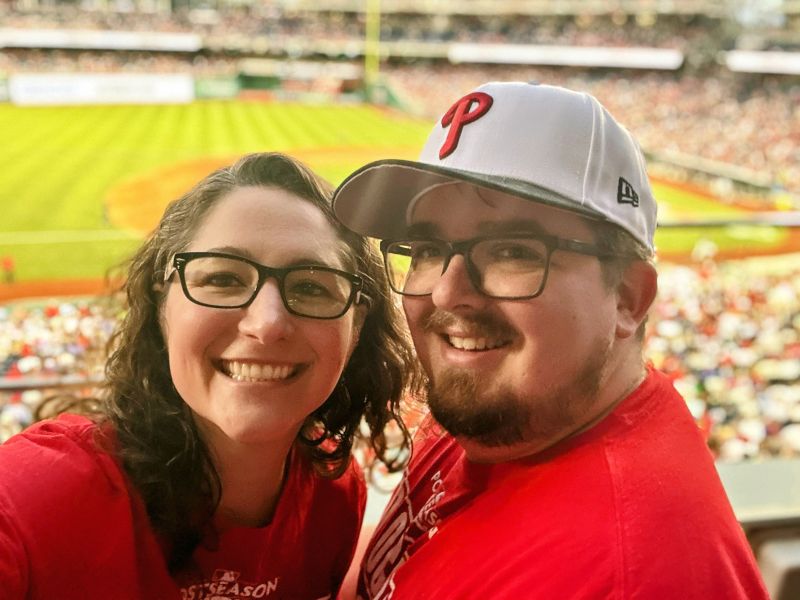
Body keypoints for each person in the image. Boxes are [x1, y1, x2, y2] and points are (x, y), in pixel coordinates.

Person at [332, 82, 769, 598]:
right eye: (428, 247)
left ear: (628, 298)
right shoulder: (515, 406)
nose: (447, 292)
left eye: (512, 251)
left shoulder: (618, 572)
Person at [0, 152, 420, 599]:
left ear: (356, 328)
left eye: (311, 286)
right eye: (222, 279)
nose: (267, 324)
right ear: (163, 308)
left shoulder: (334, 500)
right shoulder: (36, 496)